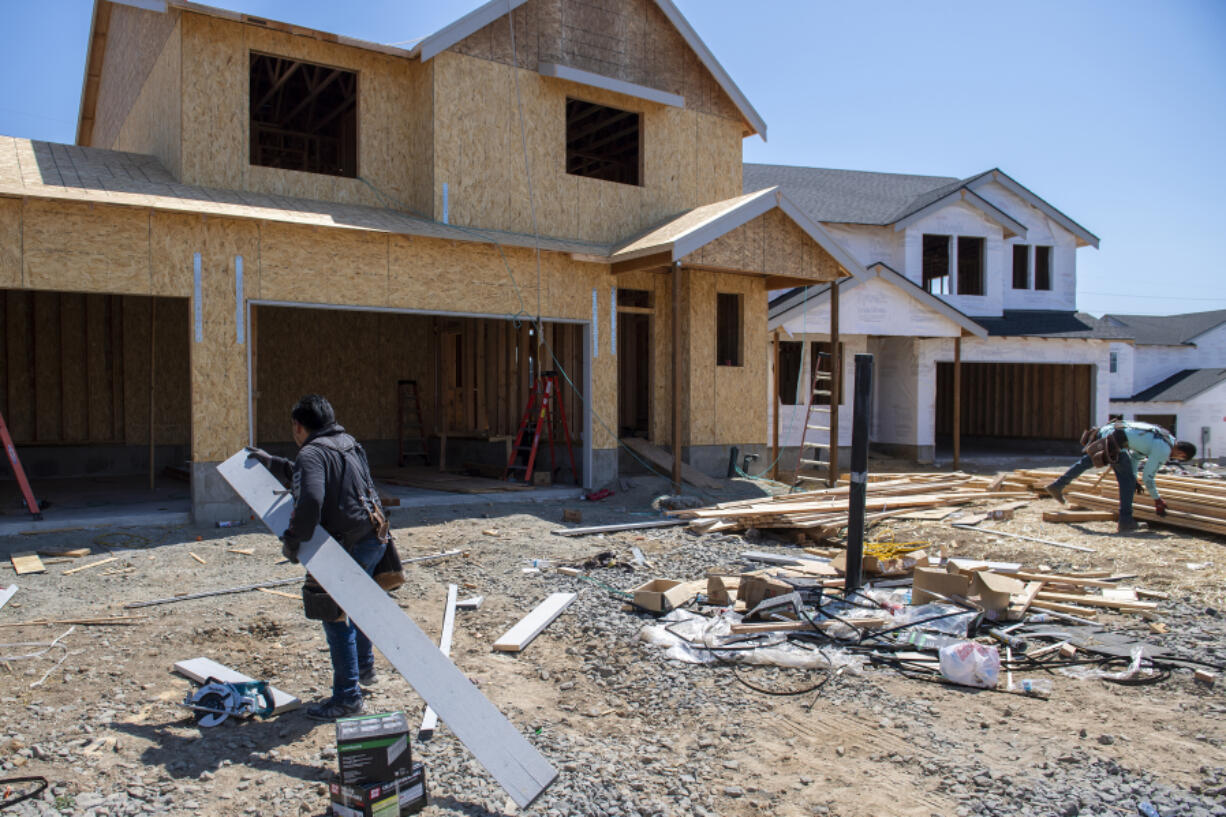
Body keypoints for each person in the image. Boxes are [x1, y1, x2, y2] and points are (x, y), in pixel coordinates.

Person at [247, 394, 388, 721]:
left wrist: (293, 540)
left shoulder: (311, 451)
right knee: (359, 605)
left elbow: (310, 498)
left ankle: (347, 697)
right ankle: (364, 669)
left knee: (334, 615)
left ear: (298, 426)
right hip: (373, 537)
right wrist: (273, 463)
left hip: (348, 545)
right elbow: (316, 476)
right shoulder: (347, 442)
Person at [1046, 420, 1196, 533]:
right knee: (1127, 483)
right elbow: (1148, 478)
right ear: (1182, 454)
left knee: (1087, 462)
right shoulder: (1164, 449)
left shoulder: (1165, 437)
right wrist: (1157, 499)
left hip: (1108, 431)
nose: (1176, 459)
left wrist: (1133, 475)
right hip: (1116, 439)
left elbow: (1136, 457)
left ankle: (1057, 485)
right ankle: (1126, 521)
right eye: (1180, 458)